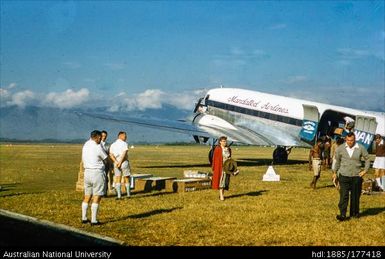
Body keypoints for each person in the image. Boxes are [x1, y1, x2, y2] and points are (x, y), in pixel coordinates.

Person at [334, 132, 370, 221]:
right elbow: (337, 161)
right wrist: (334, 172)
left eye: (352, 140)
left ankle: (354, 214)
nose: (350, 142)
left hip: (356, 176)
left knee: (355, 196)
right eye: (348, 140)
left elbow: (367, 159)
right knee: (344, 195)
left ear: (355, 140)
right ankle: (342, 214)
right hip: (344, 175)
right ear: (346, 139)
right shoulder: (340, 148)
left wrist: (365, 171)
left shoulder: (360, 148)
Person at [81, 130, 108, 226]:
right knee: (97, 196)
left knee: (87, 196)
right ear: (96, 137)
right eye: (100, 138)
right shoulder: (97, 147)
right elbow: (105, 158)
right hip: (97, 173)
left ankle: (84, 217)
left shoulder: (86, 145)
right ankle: (94, 220)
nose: (101, 139)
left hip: (87, 172)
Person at [211, 136, 238, 201]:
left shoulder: (228, 149)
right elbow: (215, 159)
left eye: (225, 141)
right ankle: (221, 196)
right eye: (223, 141)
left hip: (227, 166)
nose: (225, 142)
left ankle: (222, 194)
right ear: (220, 142)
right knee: (221, 181)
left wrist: (232, 167)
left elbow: (230, 158)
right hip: (220, 167)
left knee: (225, 181)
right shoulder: (218, 149)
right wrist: (214, 167)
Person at [109, 131, 131, 199]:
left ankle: (119, 195)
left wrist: (116, 161)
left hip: (116, 162)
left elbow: (111, 154)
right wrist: (120, 162)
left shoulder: (113, 144)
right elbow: (124, 153)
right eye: (125, 136)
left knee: (117, 178)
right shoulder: (124, 144)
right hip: (123, 162)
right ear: (120, 136)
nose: (126, 137)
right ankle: (128, 195)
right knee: (126, 178)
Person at [100, 130, 113, 196]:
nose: (104, 137)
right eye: (103, 136)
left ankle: (105, 192)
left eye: (105, 136)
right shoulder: (98, 144)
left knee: (105, 178)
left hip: (106, 163)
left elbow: (109, 154)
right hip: (99, 164)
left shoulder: (107, 145)